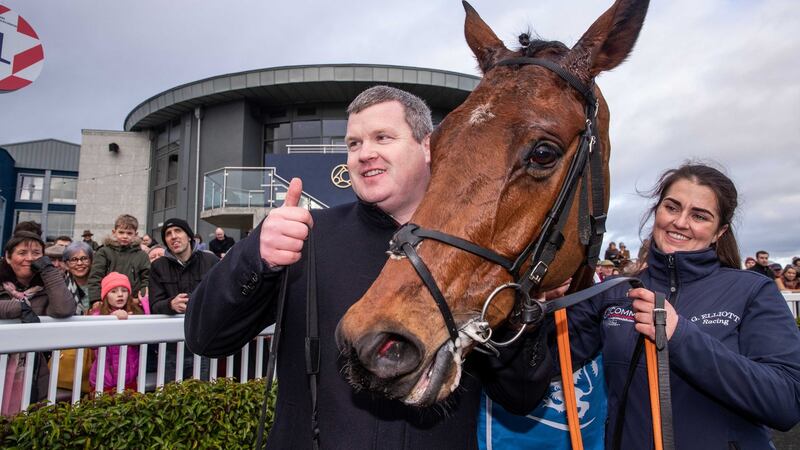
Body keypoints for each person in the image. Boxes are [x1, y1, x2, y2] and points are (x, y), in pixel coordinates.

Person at [185, 86, 552, 449]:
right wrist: (255, 255)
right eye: (354, 144)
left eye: (382, 137)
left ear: (428, 146)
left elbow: (522, 394)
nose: (364, 154)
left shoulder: (476, 255)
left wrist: (522, 307)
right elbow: (206, 337)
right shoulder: (305, 238)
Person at [562, 164, 800, 449]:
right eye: (672, 207)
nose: (680, 222)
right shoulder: (615, 292)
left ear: (718, 232)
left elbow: (786, 402)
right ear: (657, 211)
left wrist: (680, 336)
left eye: (699, 216)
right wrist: (530, 306)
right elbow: (528, 380)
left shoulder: (752, 290)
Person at [0, 229, 74, 414]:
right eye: (22, 253)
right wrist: (18, 308)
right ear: (8, 257)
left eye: (36, 253)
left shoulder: (46, 284)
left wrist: (47, 269)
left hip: (33, 366)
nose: (30, 258)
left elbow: (64, 308)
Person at [149, 218, 218, 380]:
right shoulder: (158, 266)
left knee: (202, 394)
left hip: (202, 341)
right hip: (171, 346)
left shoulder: (210, 261)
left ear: (189, 237)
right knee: (171, 396)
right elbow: (154, 305)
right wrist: (170, 304)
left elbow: (221, 296)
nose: (173, 236)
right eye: (168, 234)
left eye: (178, 231)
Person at [89, 272, 143, 392]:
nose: (120, 295)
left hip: (130, 379)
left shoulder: (135, 314)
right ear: (105, 296)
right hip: (103, 381)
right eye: (113, 291)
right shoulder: (97, 315)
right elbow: (92, 344)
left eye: (124, 290)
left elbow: (143, 337)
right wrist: (112, 320)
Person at [87, 214, 150, 310]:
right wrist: (96, 299)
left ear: (135, 235)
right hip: (107, 304)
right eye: (121, 232)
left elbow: (147, 279)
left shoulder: (142, 255)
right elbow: (96, 276)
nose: (125, 236)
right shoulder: (104, 252)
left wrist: (140, 298)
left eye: (129, 233)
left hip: (133, 303)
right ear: (114, 232)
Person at [63, 241, 93, 314]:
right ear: (67, 264)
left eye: (84, 258)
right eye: (74, 259)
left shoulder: (100, 285)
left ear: (91, 261)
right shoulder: (60, 286)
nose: (79, 263)